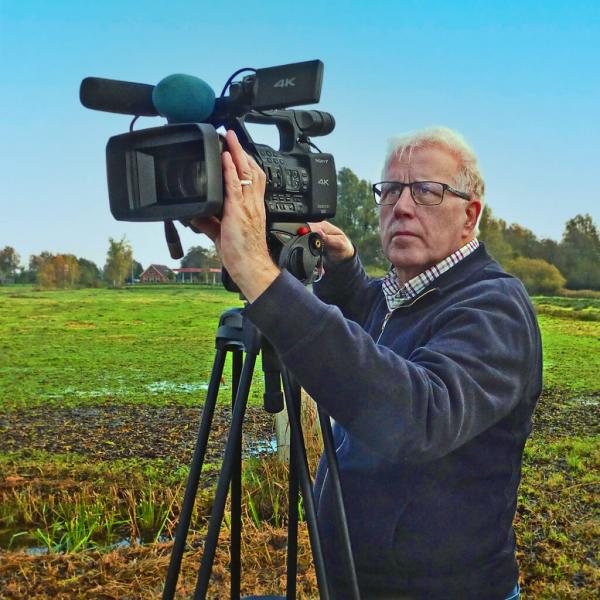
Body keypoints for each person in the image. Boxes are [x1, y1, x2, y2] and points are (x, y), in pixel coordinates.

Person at [192, 127, 541, 600]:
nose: (402, 206)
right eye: (391, 190)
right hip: (354, 584)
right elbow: (374, 341)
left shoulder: (494, 307)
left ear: (469, 216)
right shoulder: (398, 292)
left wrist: (258, 271)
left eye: (427, 191)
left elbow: (417, 415)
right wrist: (342, 268)